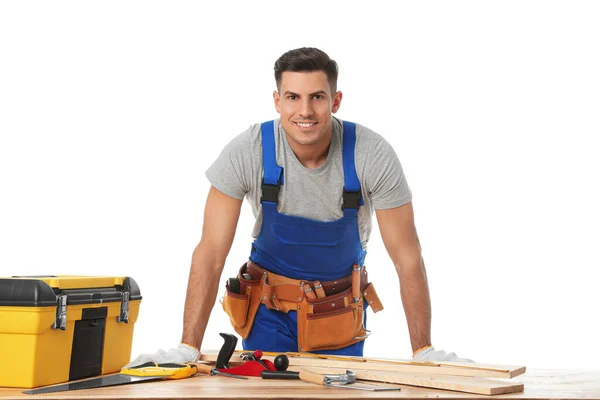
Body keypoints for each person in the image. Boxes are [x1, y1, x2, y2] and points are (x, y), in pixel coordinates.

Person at [125, 47, 472, 368]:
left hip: (339, 315)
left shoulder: (372, 154)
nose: (305, 111)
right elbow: (210, 253)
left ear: (335, 101)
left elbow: (407, 255)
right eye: (293, 97)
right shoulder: (248, 151)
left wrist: (423, 350)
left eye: (317, 97)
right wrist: (188, 346)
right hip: (267, 312)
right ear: (277, 101)